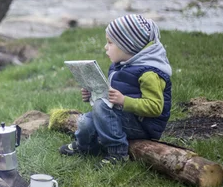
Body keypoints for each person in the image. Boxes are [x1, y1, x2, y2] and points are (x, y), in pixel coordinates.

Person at [59, 14, 172, 168]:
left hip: (142, 125)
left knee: (101, 106)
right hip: (120, 115)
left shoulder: (149, 73)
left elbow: (155, 107)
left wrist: (123, 101)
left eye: (110, 43)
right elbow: (110, 94)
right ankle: (86, 147)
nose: (106, 47)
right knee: (85, 121)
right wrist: (92, 94)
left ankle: (118, 153)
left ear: (129, 45)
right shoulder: (121, 65)